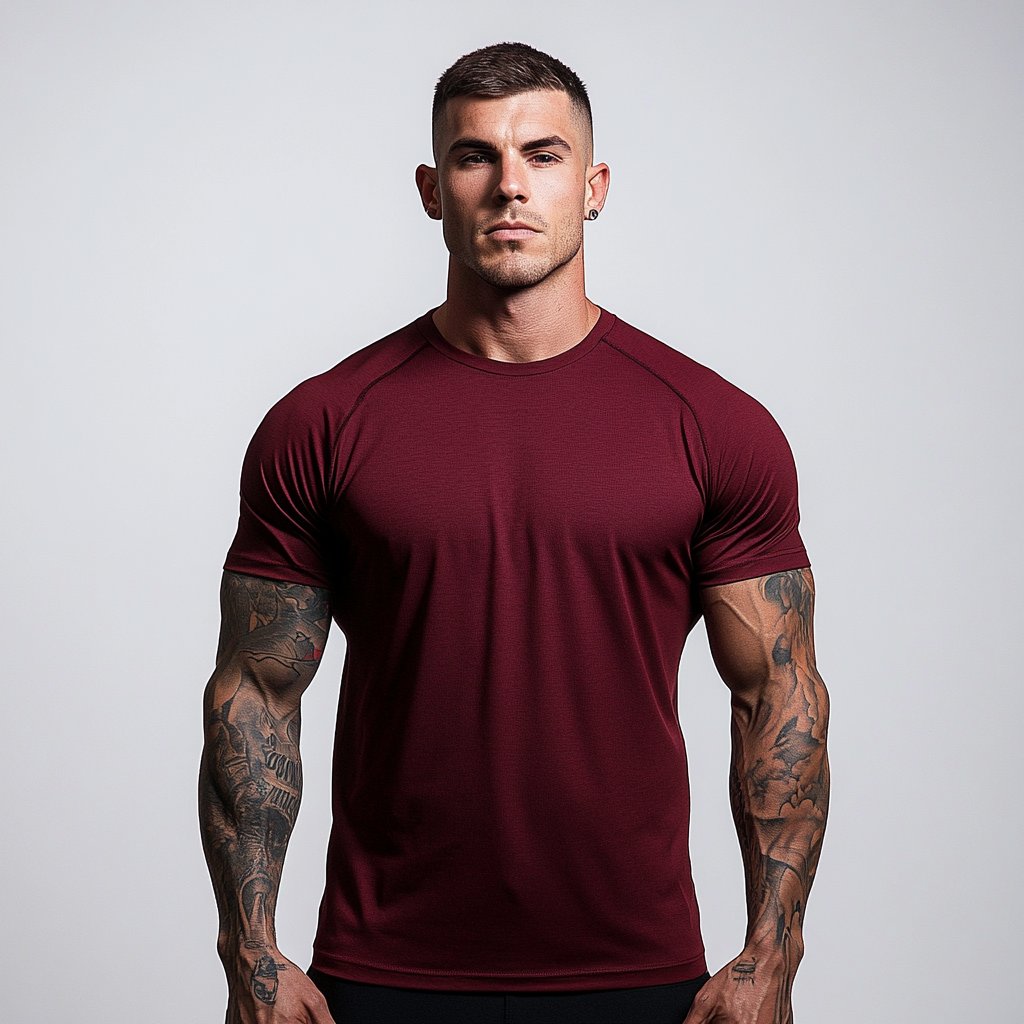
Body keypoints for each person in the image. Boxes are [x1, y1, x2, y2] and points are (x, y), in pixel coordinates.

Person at [198, 41, 830, 1024]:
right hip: (382, 972)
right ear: (431, 189)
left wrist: (771, 956)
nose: (509, 186)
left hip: (640, 974)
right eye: (474, 156)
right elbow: (255, 693)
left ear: (594, 187)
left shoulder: (712, 425)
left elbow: (778, 697)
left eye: (542, 154)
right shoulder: (323, 423)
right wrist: (251, 953)